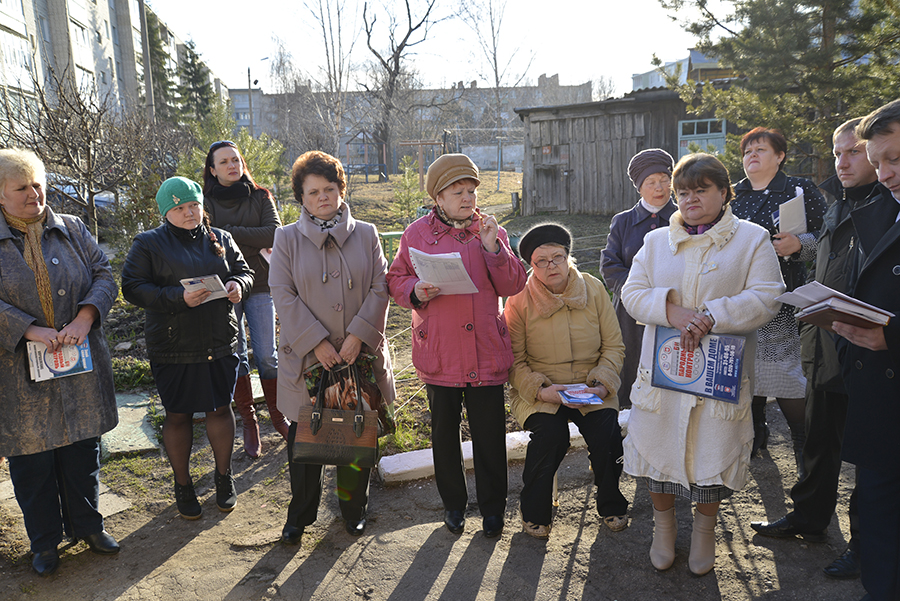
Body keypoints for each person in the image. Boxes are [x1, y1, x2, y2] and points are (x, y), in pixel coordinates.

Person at [621, 153, 784, 576]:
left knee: (711, 456)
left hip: (719, 374)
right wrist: (671, 311)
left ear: (724, 192)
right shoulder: (657, 242)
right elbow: (632, 292)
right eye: (683, 192)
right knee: (659, 454)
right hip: (664, 372)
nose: (690, 198)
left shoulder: (751, 239)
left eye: (701, 189)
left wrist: (714, 314)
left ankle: (705, 531)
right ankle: (664, 526)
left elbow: (768, 295)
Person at [751, 118, 879, 579]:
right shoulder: (839, 202)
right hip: (825, 338)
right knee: (821, 438)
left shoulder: (886, 206)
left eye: (854, 152)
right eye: (838, 152)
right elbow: (821, 260)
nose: (842, 162)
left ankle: (867, 548)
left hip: (871, 346)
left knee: (870, 454)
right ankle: (808, 518)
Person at [387, 153, 527, 539]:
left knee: (489, 434)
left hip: (485, 348)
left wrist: (493, 250)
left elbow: (514, 285)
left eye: (471, 190)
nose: (467, 198)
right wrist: (414, 290)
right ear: (439, 196)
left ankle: (493, 509)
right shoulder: (416, 233)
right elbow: (396, 278)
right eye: (457, 191)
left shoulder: (490, 230)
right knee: (444, 436)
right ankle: (453, 505)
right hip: (441, 350)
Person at [0, 148, 120, 576]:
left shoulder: (72, 228)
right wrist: (29, 328)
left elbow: (104, 273)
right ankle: (45, 543)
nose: (34, 194)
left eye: (38, 184)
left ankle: (88, 525)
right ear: (0, 195)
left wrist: (87, 316)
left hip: (78, 365)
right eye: (21, 188)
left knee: (81, 450)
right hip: (18, 377)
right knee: (32, 461)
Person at [269, 151, 396, 543]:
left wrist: (359, 335)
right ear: (301, 198)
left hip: (359, 355)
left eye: (329, 188)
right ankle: (300, 515)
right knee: (305, 439)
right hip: (309, 359)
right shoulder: (286, 238)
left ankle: (353, 509)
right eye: (313, 192)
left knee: (357, 433)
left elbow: (380, 286)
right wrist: (317, 342)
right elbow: (282, 293)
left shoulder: (368, 233)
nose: (322, 197)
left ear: (341, 190)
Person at [122, 177, 253, 520]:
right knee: (178, 415)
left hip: (219, 340)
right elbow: (133, 287)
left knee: (220, 409)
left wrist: (239, 284)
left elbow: (244, 270)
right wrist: (177, 297)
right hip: (173, 344)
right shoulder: (148, 243)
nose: (189, 213)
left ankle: (224, 478)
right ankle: (183, 484)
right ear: (166, 212)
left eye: (194, 205)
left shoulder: (220, 238)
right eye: (179, 208)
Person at [506, 223, 628, 538]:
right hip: (542, 390)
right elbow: (514, 362)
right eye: (541, 261)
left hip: (590, 385)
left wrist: (602, 383)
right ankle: (534, 511)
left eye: (557, 257)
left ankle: (611, 503)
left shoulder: (594, 288)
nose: (551, 266)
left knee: (607, 434)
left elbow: (614, 346)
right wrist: (540, 390)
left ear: (568, 257)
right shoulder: (518, 299)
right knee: (549, 437)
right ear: (530, 266)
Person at [833, 99, 900, 601]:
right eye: (878, 163)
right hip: (879, 396)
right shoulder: (876, 210)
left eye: (895, 159)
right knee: (878, 518)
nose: (886, 174)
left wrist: (892, 335)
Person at [732, 127, 828, 476]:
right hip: (738, 299)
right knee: (744, 373)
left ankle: (805, 445)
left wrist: (800, 244)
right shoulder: (734, 197)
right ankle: (756, 437)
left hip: (781, 299)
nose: (752, 156)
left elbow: (829, 237)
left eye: (760, 149)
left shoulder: (800, 190)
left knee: (781, 373)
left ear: (780, 156)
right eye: (747, 152)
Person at [203, 140, 287, 458]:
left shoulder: (261, 196)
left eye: (236, 159)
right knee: (237, 354)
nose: (232, 165)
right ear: (212, 169)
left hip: (262, 284)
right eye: (224, 162)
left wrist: (229, 233)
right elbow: (209, 242)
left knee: (267, 355)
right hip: (227, 287)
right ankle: (250, 425)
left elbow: (274, 234)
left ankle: (278, 417)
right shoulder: (205, 201)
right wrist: (249, 237)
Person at [601, 149, 678, 408]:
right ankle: (626, 422)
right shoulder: (623, 222)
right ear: (639, 187)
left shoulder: (683, 219)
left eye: (664, 180)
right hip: (631, 311)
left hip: (675, 308)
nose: (659, 188)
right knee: (631, 365)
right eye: (651, 182)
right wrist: (639, 294)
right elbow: (610, 266)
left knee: (671, 366)